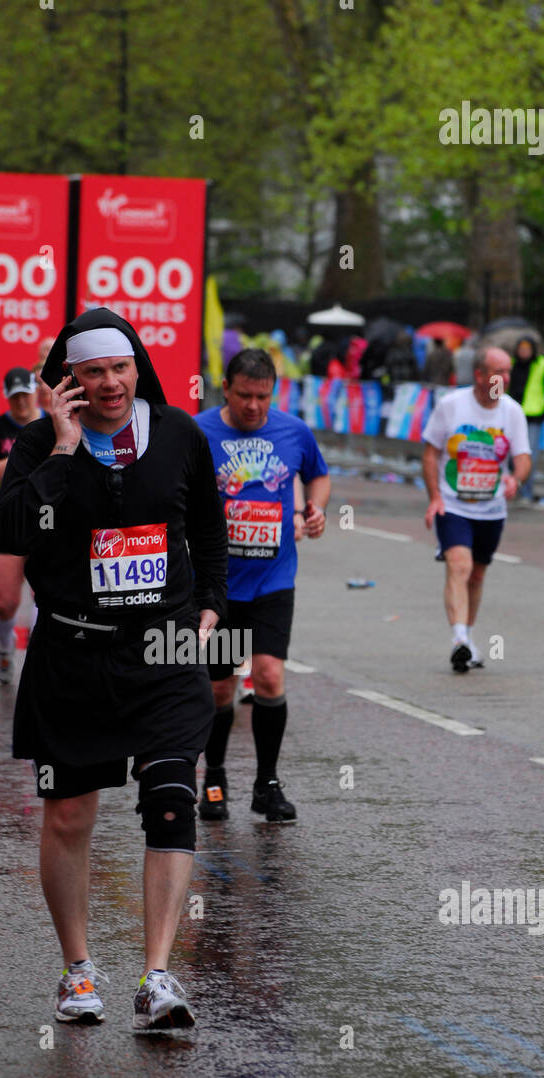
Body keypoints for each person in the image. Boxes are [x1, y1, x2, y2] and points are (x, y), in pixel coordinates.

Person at [0, 308, 228, 1030]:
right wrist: (63, 452)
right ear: (68, 379)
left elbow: (210, 531)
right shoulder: (38, 444)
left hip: (163, 648)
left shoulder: (179, 433)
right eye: (91, 372)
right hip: (72, 650)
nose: (108, 384)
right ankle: (77, 973)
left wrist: (211, 608)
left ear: (137, 368)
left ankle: (158, 977)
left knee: (171, 796)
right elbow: (9, 531)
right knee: (69, 814)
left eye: (119, 368)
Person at [194, 347, 330, 822]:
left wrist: (314, 509)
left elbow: (318, 476)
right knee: (219, 689)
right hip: (218, 584)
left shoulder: (294, 431)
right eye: (245, 396)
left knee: (269, 675)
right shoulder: (200, 431)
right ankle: (213, 777)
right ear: (226, 390)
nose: (254, 406)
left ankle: (267, 784)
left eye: (263, 397)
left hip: (274, 577)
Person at [422, 346, 531, 672]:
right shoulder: (451, 406)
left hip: (492, 509)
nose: (506, 378)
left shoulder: (512, 412)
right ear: (481, 375)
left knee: (478, 573)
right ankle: (459, 639)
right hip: (453, 503)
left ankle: (468, 638)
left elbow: (523, 456)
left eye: (509, 371)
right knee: (459, 565)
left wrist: (516, 479)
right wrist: (435, 498)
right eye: (499, 371)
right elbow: (430, 454)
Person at [0, 368, 44, 683]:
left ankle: (39, 663)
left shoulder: (55, 424)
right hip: (5, 521)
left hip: (47, 522)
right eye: (14, 396)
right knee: (5, 604)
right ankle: (5, 646)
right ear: (7, 397)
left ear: (35, 392)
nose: (21, 402)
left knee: (48, 596)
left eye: (25, 394)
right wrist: (23, 457)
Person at [508, 334, 544, 501]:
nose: (524, 352)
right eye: (521, 349)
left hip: (533, 417)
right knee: (508, 454)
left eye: (527, 349)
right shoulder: (510, 364)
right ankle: (512, 488)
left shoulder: (542, 364)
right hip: (512, 416)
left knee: (529, 456)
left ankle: (526, 493)